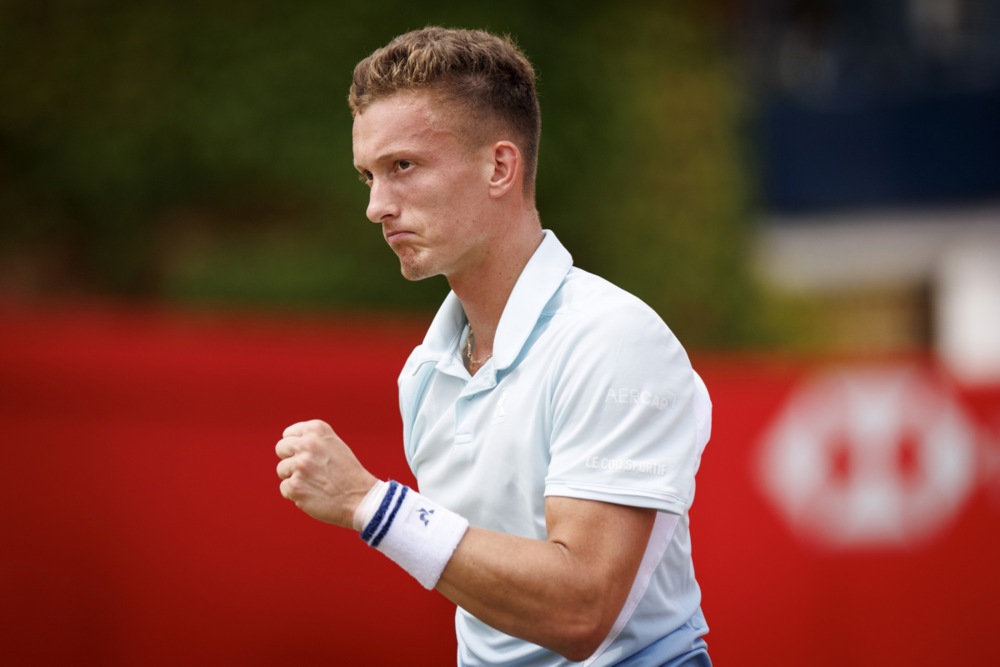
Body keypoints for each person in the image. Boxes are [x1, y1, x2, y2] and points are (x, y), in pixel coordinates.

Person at [275, 26, 712, 666]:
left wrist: (370, 503)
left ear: (500, 167)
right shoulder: (424, 373)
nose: (376, 205)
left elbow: (580, 610)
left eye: (403, 167)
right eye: (368, 175)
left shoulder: (615, 339)